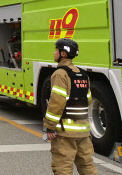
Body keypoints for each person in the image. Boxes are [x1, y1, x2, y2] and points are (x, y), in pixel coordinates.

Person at [43, 38, 98, 175]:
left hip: (65, 133)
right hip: (84, 131)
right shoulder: (83, 74)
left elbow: (56, 103)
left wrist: (49, 126)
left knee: (63, 168)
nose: (54, 52)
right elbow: (88, 100)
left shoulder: (60, 74)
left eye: (56, 50)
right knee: (87, 166)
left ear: (63, 54)